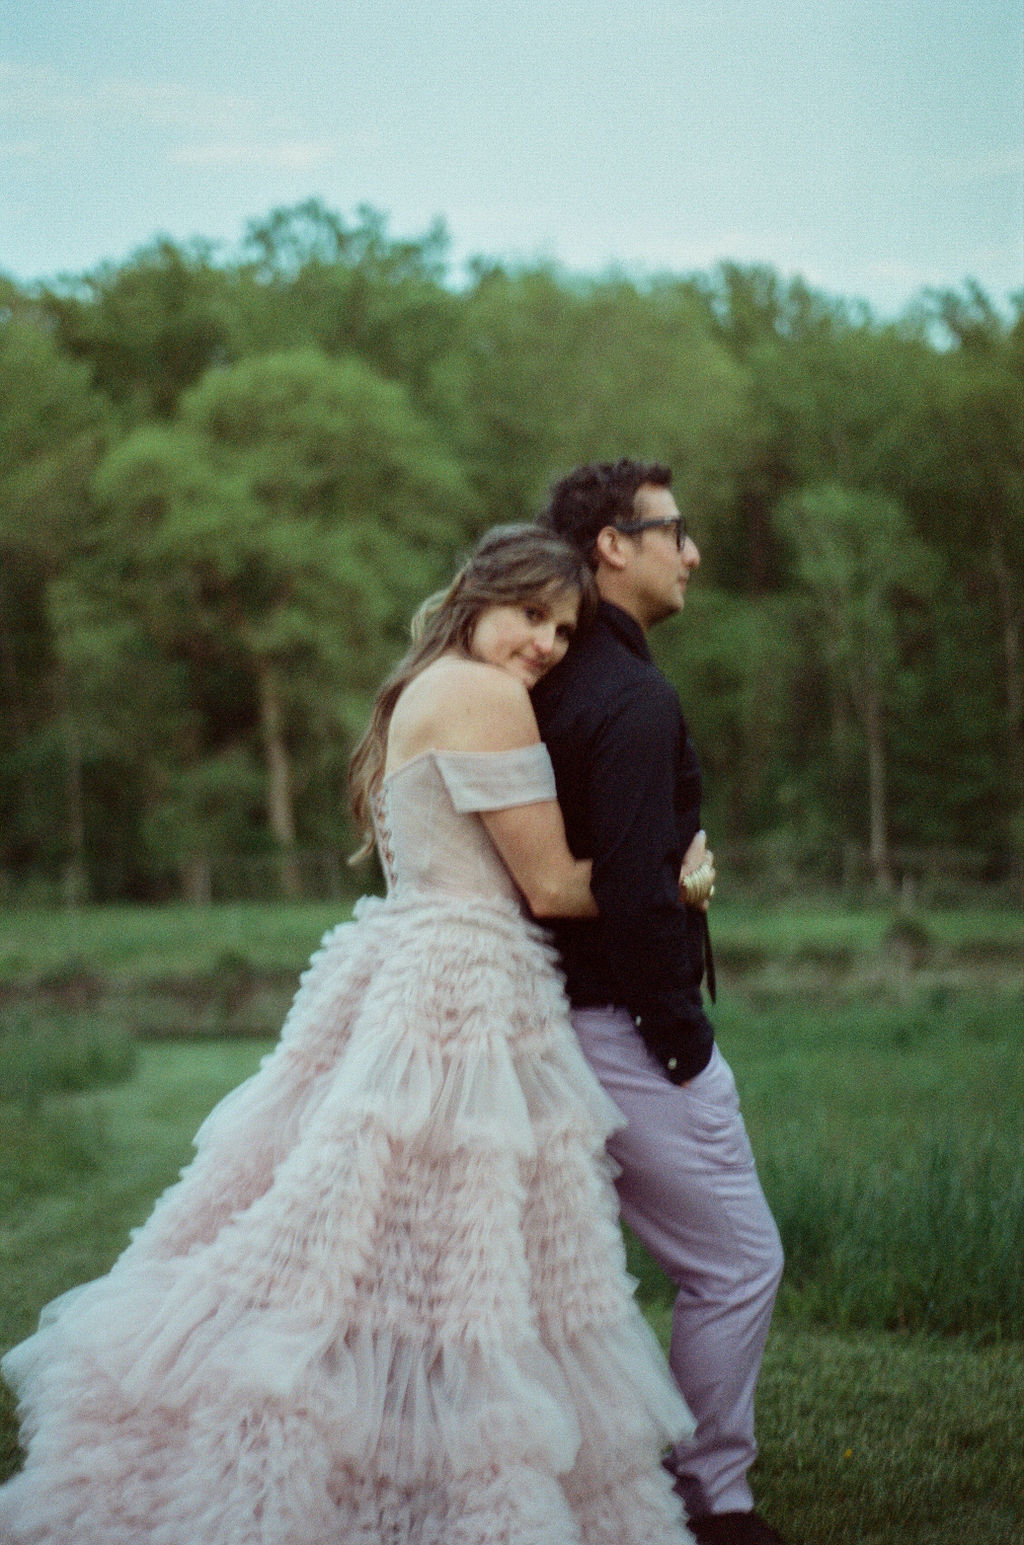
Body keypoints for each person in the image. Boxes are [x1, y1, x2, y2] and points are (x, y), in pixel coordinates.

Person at [0, 525, 696, 1545]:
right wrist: (673, 879)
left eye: (560, 629)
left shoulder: (421, 687)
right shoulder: (486, 694)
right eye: (530, 617)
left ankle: (393, 1446)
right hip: (459, 986)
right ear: (476, 598)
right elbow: (550, 884)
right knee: (440, 1249)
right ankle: (412, 1466)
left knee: (386, 1242)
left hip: (416, 960)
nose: (545, 644)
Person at [531, 462, 787, 1545]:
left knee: (565, 1276)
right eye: (672, 532)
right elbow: (633, 901)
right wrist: (685, 1047)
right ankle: (709, 1503)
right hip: (626, 1032)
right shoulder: (630, 698)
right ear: (610, 547)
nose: (690, 553)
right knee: (736, 1262)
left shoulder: (542, 682)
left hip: (545, 1022)